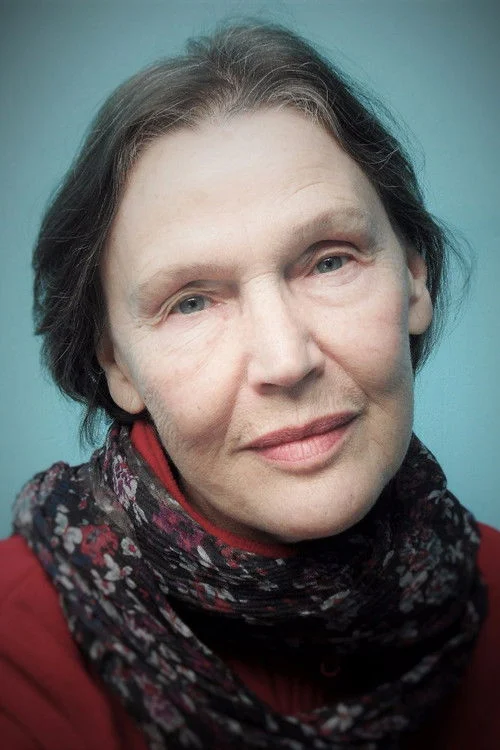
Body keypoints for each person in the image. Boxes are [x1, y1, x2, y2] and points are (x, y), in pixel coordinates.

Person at [0, 20, 498, 750]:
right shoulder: (14, 650)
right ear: (117, 365)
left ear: (414, 277)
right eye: (191, 302)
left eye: (330, 260)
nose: (286, 360)